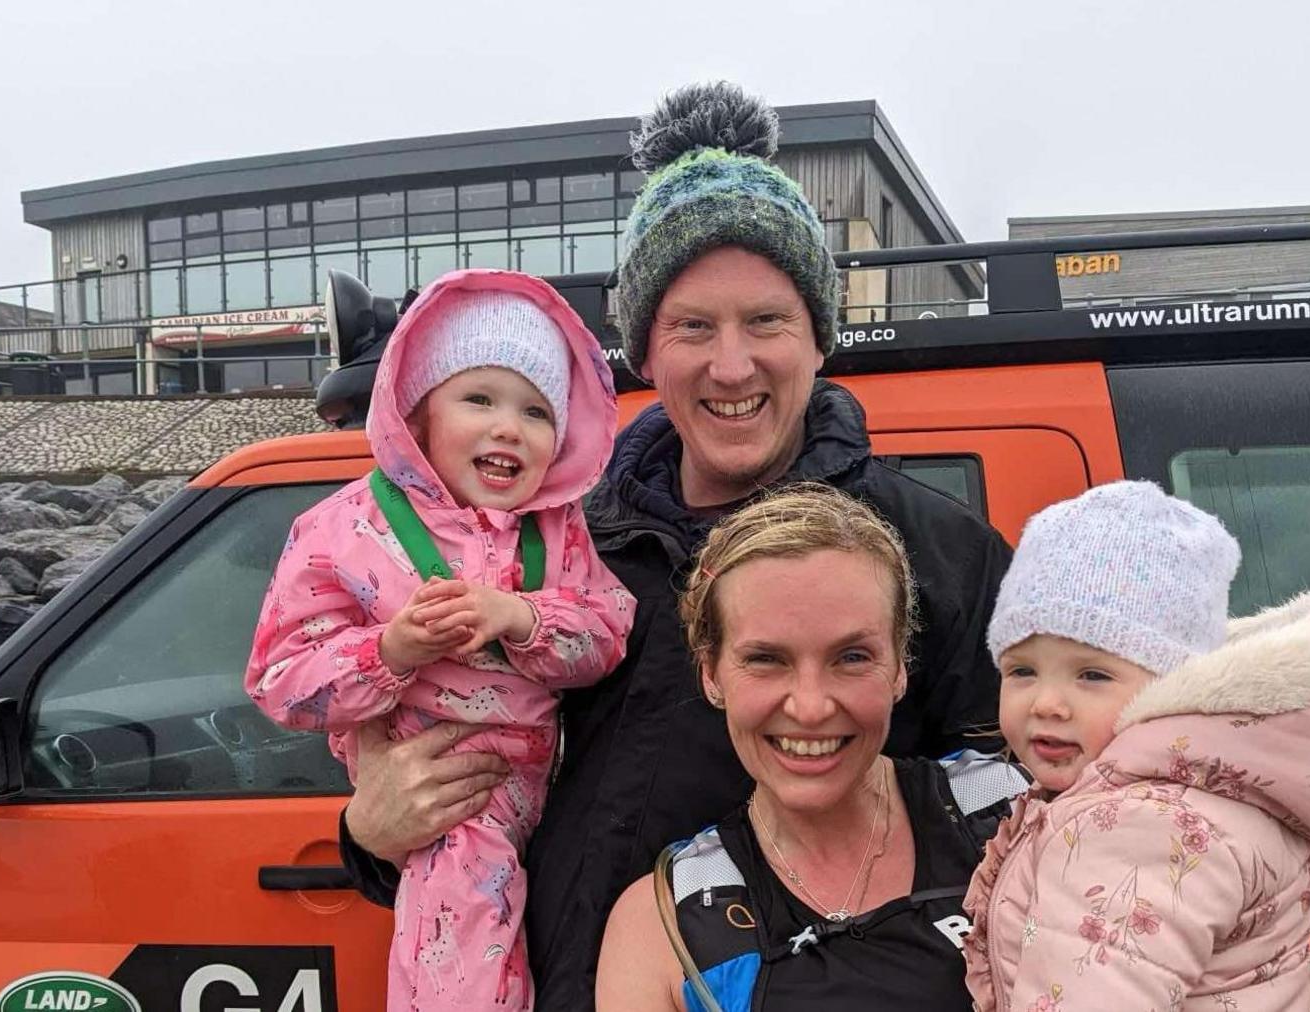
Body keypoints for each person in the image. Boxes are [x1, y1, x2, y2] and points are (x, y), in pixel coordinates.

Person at [338, 81, 1013, 1010]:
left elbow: (1027, 821)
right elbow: (461, 779)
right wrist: (369, 837)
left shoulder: (936, 553)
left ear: (820, 338)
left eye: (767, 321)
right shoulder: (553, 548)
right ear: (644, 353)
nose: (731, 366)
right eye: (692, 326)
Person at [247, 269, 633, 1011]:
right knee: (461, 933)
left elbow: (608, 633)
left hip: (555, 796)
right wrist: (390, 651)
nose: (508, 427)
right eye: (478, 398)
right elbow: (280, 681)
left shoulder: (559, 531)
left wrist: (521, 619)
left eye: (536, 410)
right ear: (416, 414)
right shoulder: (340, 532)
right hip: (447, 794)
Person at [963, 481, 1310, 1011]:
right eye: (1021, 670)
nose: (1046, 702)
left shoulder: (1134, 827)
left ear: (1172, 686)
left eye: (1091, 675)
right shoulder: (1208, 787)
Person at [596, 484, 1031, 1011]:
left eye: (851, 657)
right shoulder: (665, 924)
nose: (810, 707)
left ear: (899, 666)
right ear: (710, 672)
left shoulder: (1014, 818)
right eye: (766, 659)